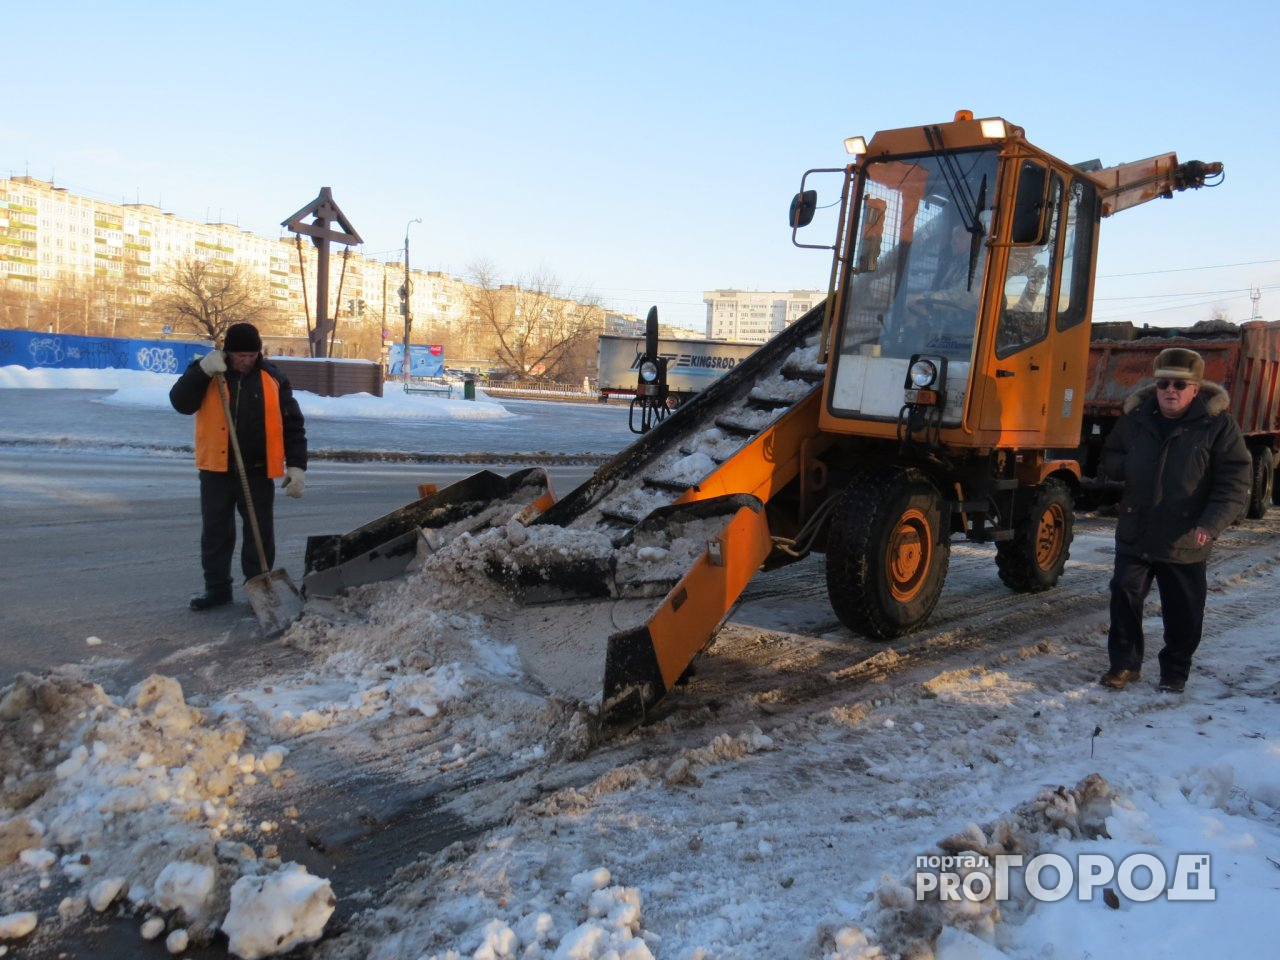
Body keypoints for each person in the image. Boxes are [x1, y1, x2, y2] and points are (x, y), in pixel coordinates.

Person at [1098, 347, 1250, 693]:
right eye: (1163, 383)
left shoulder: (1217, 425)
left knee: (1183, 609)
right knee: (1124, 594)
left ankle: (1175, 671)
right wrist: (1125, 466)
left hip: (1185, 534)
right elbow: (1112, 453)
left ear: (1195, 389)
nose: (1170, 390)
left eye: (1180, 385)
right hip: (1137, 528)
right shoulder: (1136, 419)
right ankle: (1124, 665)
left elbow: (1235, 481)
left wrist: (1211, 523)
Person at [169, 322, 308, 610]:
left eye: (252, 355)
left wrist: (297, 466)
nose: (246, 361)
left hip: (257, 469)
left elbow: (293, 424)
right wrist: (201, 371)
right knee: (216, 533)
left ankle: (259, 588)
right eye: (240, 355)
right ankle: (217, 589)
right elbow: (181, 403)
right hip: (216, 469)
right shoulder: (211, 373)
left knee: (259, 534)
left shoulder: (273, 378)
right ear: (228, 352)